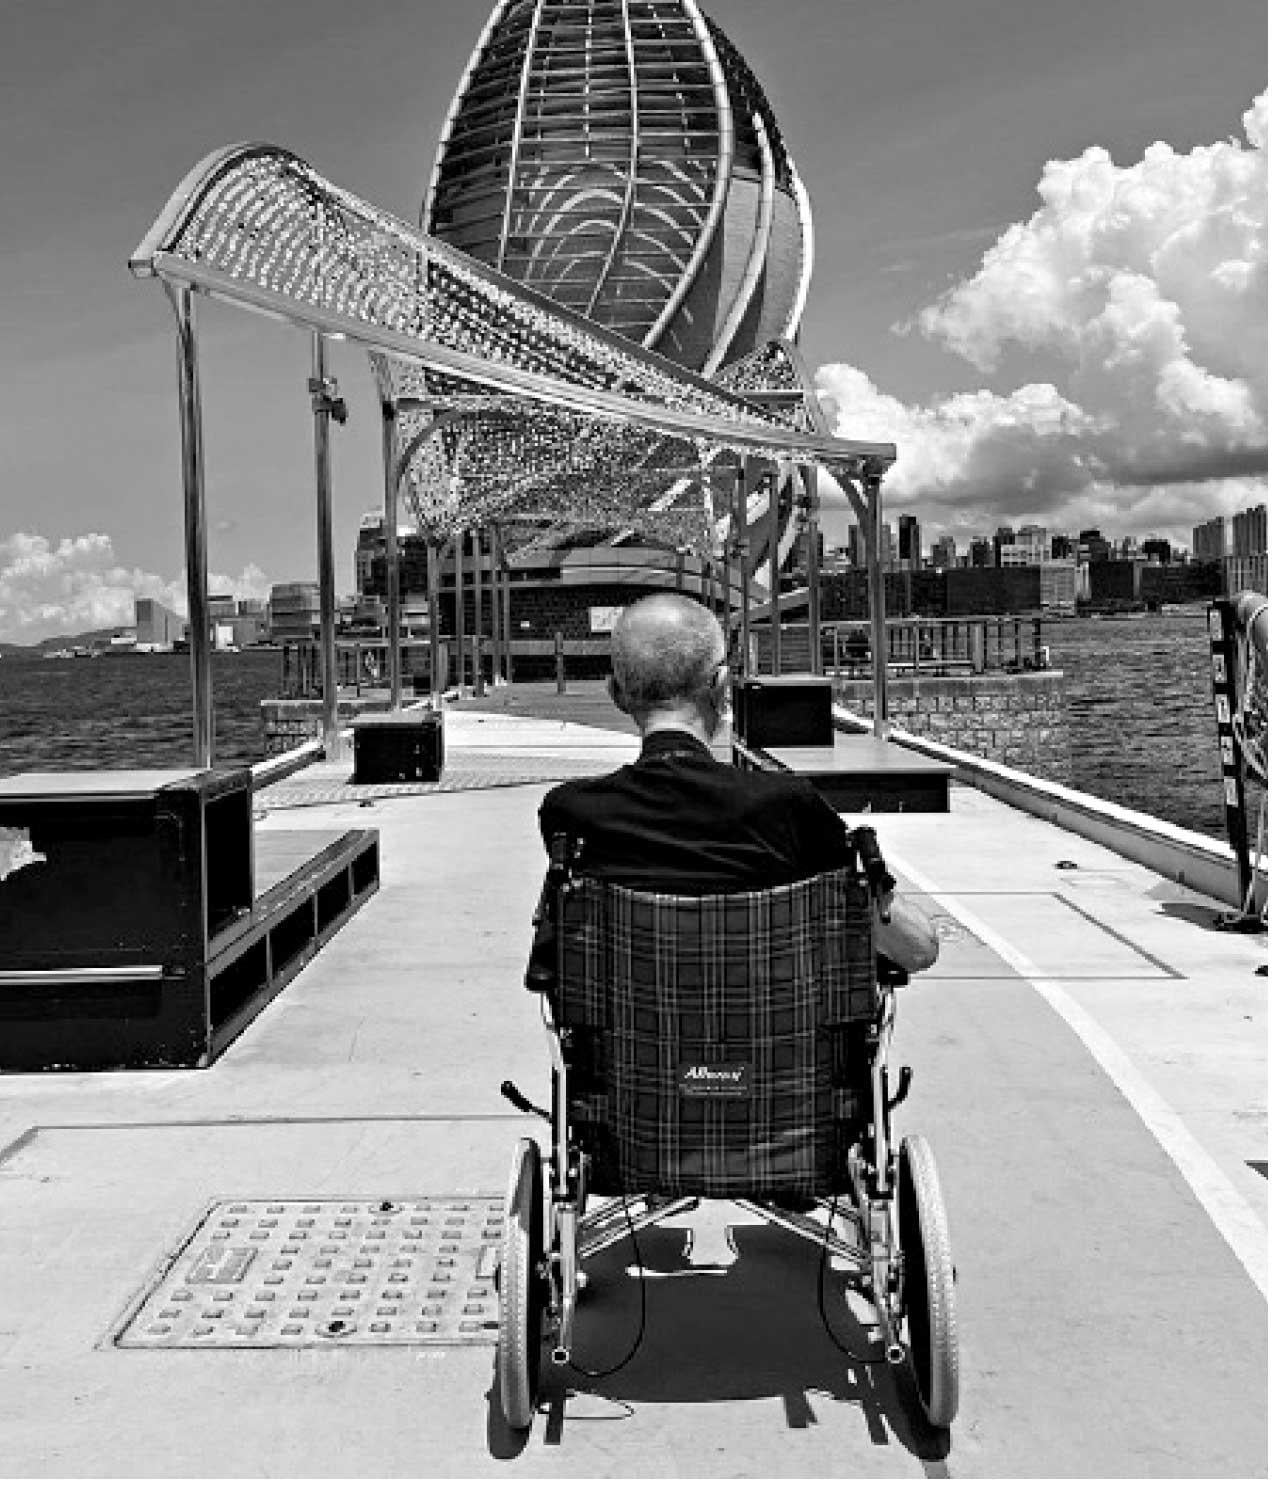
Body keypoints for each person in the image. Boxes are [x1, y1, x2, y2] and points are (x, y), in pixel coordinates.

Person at [525, 593, 938, 989]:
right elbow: (917, 949)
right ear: (722, 686)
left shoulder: (571, 814)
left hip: (630, 1034)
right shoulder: (785, 805)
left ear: (616, 694)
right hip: (778, 1034)